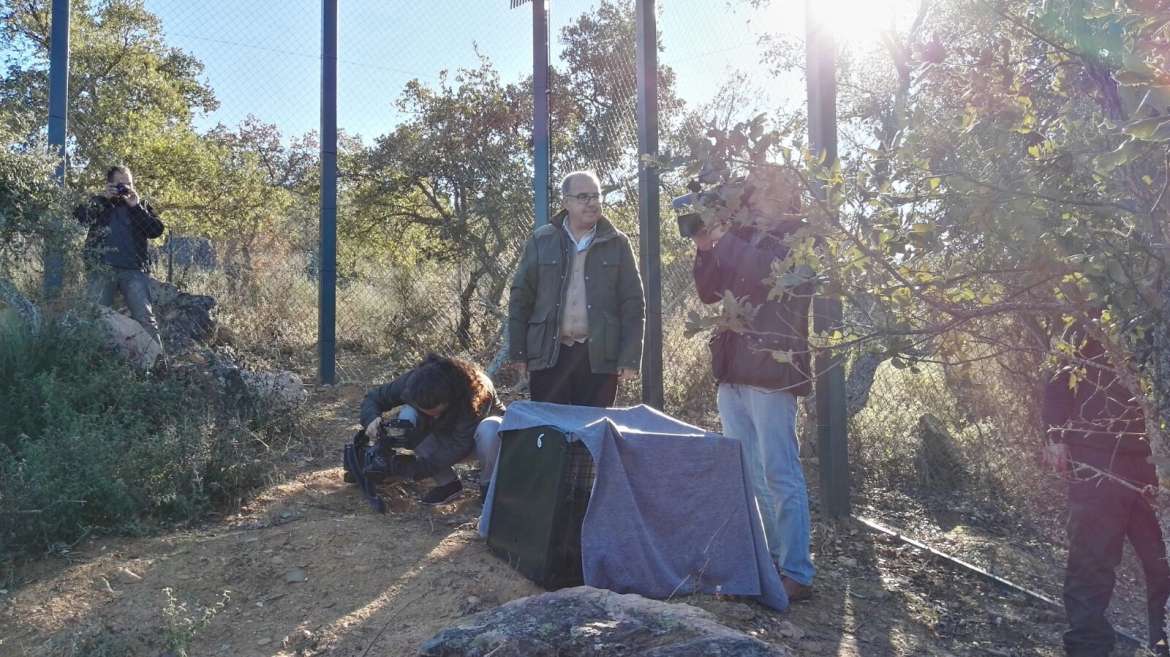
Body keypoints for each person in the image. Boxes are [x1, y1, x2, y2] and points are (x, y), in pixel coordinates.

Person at [690, 176, 816, 602]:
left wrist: (724, 240)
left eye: (770, 192)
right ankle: (762, 562)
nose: (761, 201)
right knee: (745, 471)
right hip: (733, 368)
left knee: (780, 472)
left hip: (771, 371)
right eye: (757, 193)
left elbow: (765, 273)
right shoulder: (739, 237)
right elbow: (708, 293)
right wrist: (705, 246)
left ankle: (796, 571)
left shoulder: (798, 240)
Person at [1041, 325, 1170, 657]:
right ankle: (1087, 648)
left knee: (1164, 566)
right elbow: (1058, 376)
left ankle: (1163, 644)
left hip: (1157, 463)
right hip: (1094, 458)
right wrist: (1054, 435)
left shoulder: (1157, 309)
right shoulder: (1086, 314)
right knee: (1091, 561)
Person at [507, 170, 645, 407]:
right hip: (548, 354)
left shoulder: (618, 242)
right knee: (549, 432)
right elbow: (521, 297)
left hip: (599, 356)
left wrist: (630, 357)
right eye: (583, 197)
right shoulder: (541, 240)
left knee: (591, 433)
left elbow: (633, 302)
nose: (592, 203)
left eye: (596, 195)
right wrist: (519, 352)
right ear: (566, 202)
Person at [359, 354, 505, 505]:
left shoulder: (476, 391)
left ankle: (490, 486)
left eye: (436, 411)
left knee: (490, 428)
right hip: (445, 435)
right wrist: (371, 420)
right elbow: (374, 397)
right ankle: (448, 484)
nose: (432, 415)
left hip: (480, 443)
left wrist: (413, 469)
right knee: (408, 415)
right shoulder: (415, 381)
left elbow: (458, 447)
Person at [74, 165, 166, 350]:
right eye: (120, 185)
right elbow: (80, 219)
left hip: (133, 270)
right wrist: (102, 199)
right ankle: (89, 360)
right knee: (95, 314)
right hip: (101, 268)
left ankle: (158, 363)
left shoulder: (141, 206)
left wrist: (136, 207)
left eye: (129, 184)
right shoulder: (99, 203)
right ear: (109, 184)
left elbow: (156, 230)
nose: (125, 188)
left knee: (145, 318)